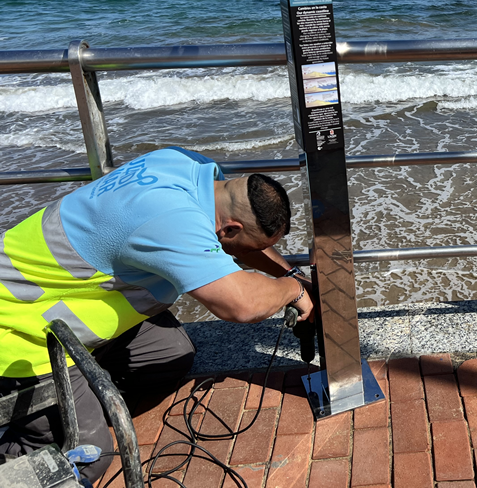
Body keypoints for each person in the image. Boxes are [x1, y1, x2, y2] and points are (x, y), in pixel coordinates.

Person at [0, 147, 313, 484]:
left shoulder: (191, 168)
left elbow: (242, 246)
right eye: (244, 250)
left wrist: (289, 276)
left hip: (65, 305)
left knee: (172, 354)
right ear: (231, 230)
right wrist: (293, 293)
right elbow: (241, 304)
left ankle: (83, 392)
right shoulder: (171, 221)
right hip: (23, 335)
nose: (244, 257)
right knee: (89, 453)